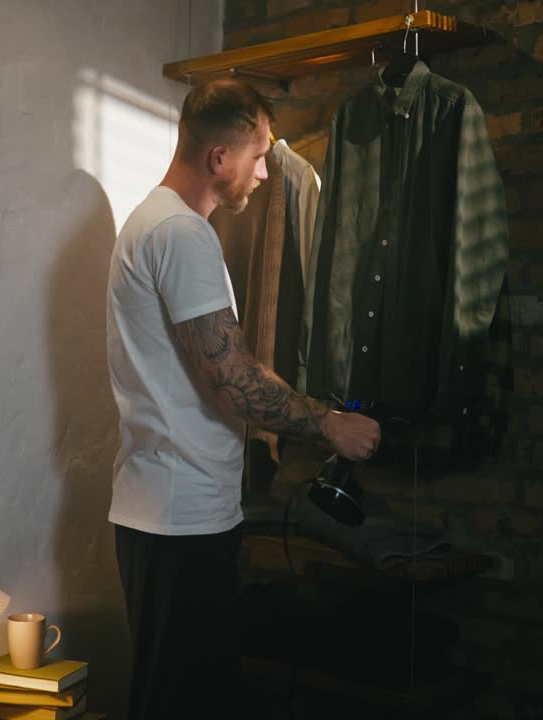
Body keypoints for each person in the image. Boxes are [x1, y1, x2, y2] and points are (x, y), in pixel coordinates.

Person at [105, 78, 382, 720]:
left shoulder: (158, 223)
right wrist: (328, 425)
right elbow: (233, 377)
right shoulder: (181, 233)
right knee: (179, 702)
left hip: (169, 509)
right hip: (179, 519)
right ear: (218, 158)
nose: (266, 171)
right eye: (258, 155)